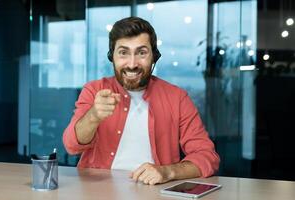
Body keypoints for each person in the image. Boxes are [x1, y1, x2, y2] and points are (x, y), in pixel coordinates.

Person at [63, 16, 220, 185]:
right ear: (112, 56)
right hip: (97, 190)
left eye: (141, 53)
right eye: (123, 52)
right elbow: (72, 146)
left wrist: (168, 171)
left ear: (154, 56)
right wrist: (93, 116)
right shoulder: (94, 90)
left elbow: (207, 156)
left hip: (155, 192)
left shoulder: (177, 98)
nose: (132, 64)